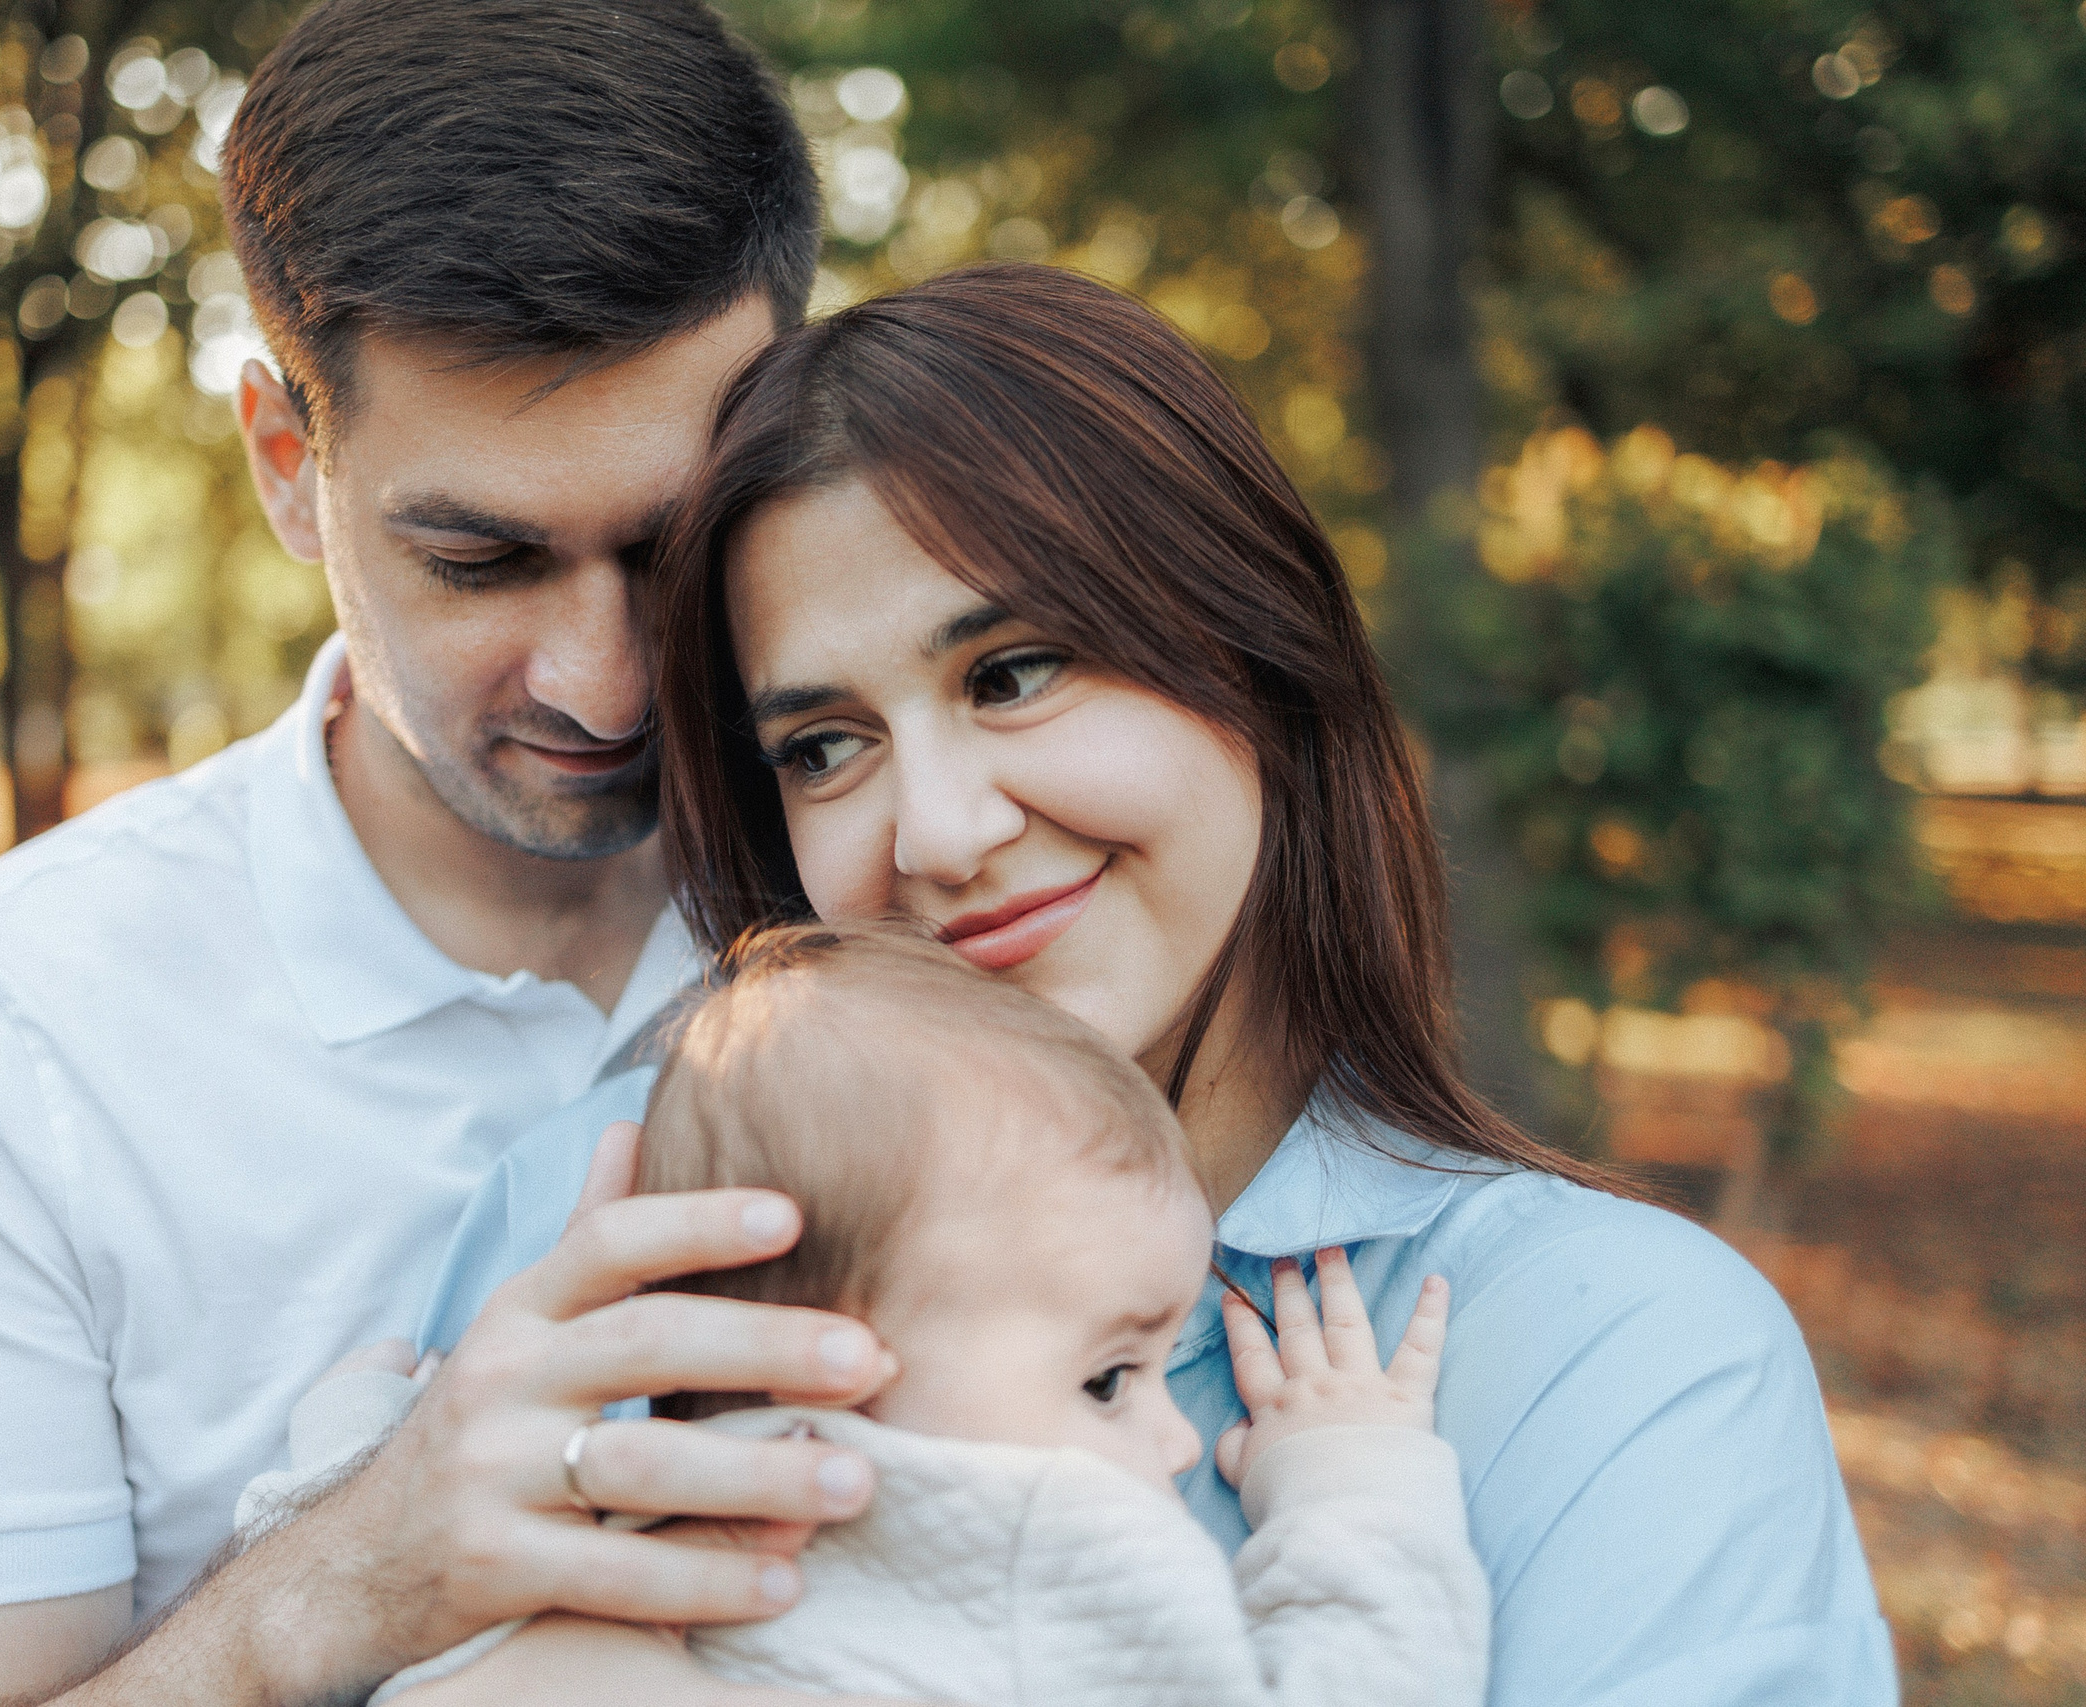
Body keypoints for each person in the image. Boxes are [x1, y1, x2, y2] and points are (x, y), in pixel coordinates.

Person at [374, 264, 1898, 1704]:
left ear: (1259, 656)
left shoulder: (1610, 1350)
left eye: (1016, 670)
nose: (942, 831)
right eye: (824, 746)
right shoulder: (609, 1221)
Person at [0, 5, 905, 1703]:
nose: (602, 680)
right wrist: (355, 1575)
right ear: (293, 468)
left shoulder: (919, 884)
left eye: (671, 547)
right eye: (479, 560)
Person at [248, 921, 1489, 1707]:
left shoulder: (577, 1531)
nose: (1175, 1441)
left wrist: (364, 1436)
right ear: (816, 1373)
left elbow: (402, 1599)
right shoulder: (1034, 1549)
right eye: (1111, 1379)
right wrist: (1354, 1484)